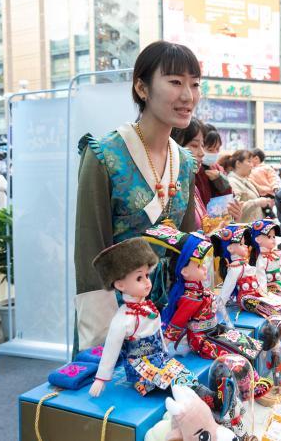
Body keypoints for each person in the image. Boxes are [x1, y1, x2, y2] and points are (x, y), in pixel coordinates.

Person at [74, 41, 201, 352]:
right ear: (142, 88)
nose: (188, 95)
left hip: (171, 316)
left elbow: (187, 245)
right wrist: (102, 338)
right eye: (175, 82)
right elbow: (91, 252)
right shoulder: (104, 154)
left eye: (195, 84)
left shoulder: (184, 162)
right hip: (120, 316)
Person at [170, 119, 241, 228]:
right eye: (194, 145)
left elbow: (205, 226)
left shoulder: (208, 173)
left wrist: (231, 218)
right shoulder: (173, 184)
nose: (202, 153)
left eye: (202, 145)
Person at [226, 150, 274, 222]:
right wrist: (257, 202)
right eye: (249, 161)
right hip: (244, 229)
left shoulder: (246, 180)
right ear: (238, 163)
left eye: (252, 162)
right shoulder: (232, 182)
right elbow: (234, 209)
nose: (252, 165)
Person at [195, 128, 233, 206]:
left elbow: (230, 196)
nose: (215, 153)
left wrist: (220, 179)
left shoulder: (218, 169)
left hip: (219, 215)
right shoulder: (195, 169)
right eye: (210, 150)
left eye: (217, 149)